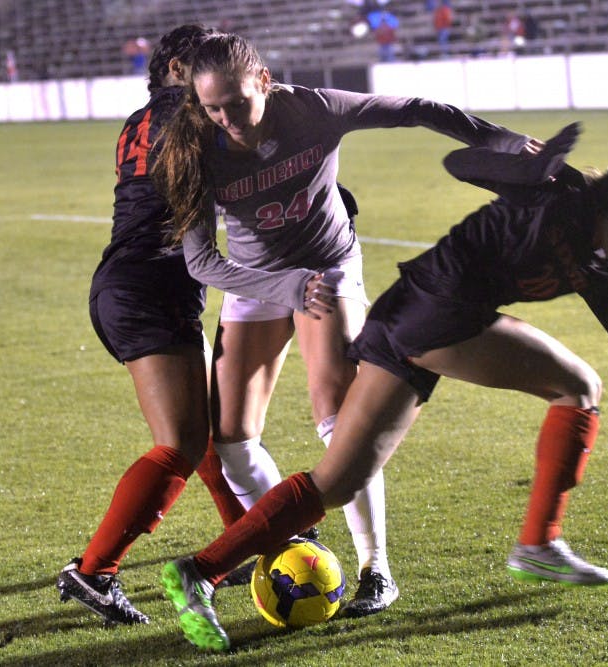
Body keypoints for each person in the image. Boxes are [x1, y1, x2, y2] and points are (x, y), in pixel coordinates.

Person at [156, 123, 608, 652]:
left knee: (338, 481)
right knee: (578, 384)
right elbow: (460, 164)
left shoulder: (604, 270)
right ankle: (539, 544)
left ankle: (199, 573)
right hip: (436, 312)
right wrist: (529, 166)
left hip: (406, 320)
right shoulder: (557, 197)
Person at [151, 31, 542, 620]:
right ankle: (291, 548)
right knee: (230, 442)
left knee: (338, 418)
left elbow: (415, 109)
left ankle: (375, 568)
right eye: (212, 108)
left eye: (237, 103)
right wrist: (279, 287)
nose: (227, 119)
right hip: (258, 282)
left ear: (264, 80)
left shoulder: (313, 109)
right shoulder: (196, 149)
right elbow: (203, 261)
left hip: (326, 268)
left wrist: (503, 142)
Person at [56, 24, 255, 627]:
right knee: (182, 442)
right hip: (150, 287)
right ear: (175, 68)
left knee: (200, 428)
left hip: (132, 284)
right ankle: (95, 571)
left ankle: (241, 538)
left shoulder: (137, 121)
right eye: (198, 65)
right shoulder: (196, 120)